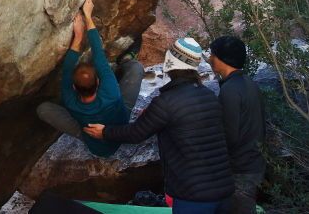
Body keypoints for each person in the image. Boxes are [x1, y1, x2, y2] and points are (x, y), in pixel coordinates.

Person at [84, 38, 234, 214]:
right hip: (224, 189)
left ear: (171, 62)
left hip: (193, 195)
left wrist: (105, 132)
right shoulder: (208, 95)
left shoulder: (166, 102)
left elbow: (136, 134)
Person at [36, 0, 144, 157]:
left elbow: (67, 70)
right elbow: (98, 54)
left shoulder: (70, 100)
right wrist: (87, 16)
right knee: (136, 68)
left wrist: (77, 37)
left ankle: (83, 131)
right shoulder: (111, 91)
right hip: (120, 122)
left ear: (73, 87)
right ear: (99, 82)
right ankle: (126, 60)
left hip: (93, 141)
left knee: (43, 109)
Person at [209, 36, 266, 214]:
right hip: (253, 163)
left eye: (212, 54)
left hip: (240, 169)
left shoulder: (230, 90)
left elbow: (229, 135)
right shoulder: (249, 84)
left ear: (221, 59)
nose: (210, 59)